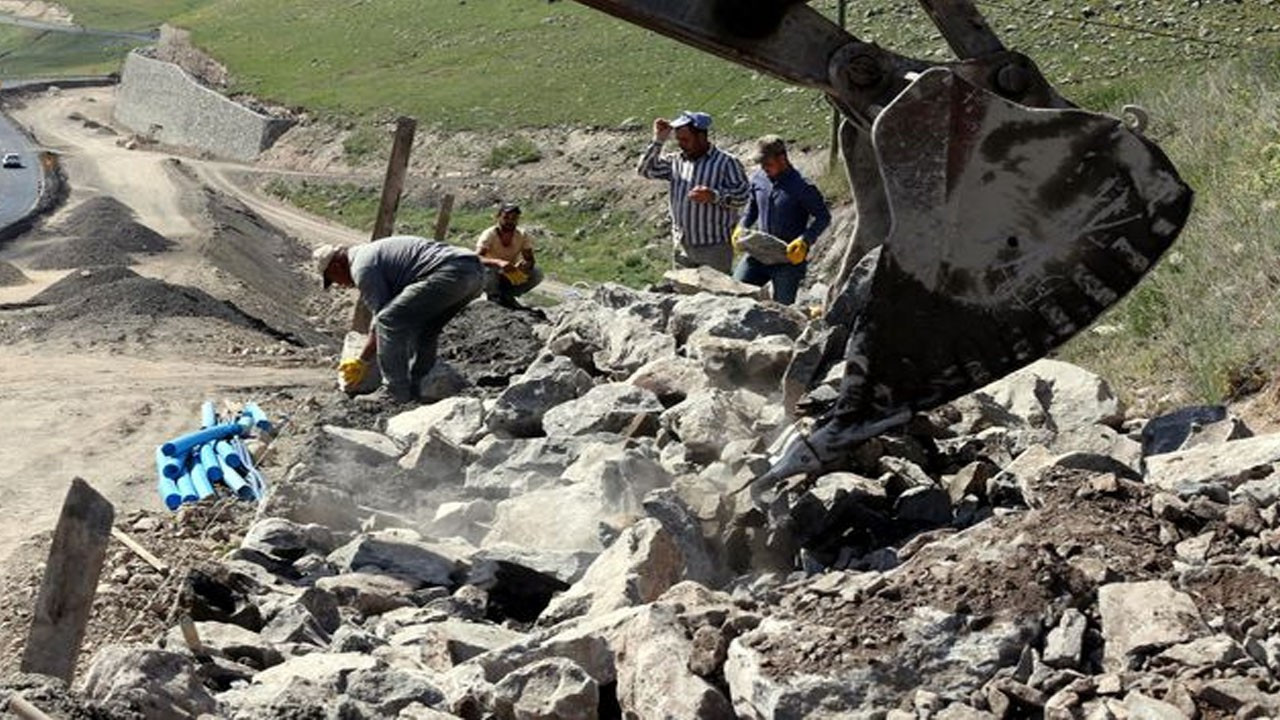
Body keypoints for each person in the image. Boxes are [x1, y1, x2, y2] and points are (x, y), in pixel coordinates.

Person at [314, 235, 484, 404]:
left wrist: (362, 361)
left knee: (388, 320)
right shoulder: (371, 255)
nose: (340, 284)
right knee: (426, 327)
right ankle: (421, 386)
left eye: (333, 280)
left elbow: (382, 321)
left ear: (336, 266)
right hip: (474, 273)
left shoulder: (362, 267)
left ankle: (394, 391)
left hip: (450, 272)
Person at [638, 110, 750, 274]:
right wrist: (658, 140)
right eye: (678, 140)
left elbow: (743, 196)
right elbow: (645, 170)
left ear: (701, 137)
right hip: (683, 248)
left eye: (685, 140)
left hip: (714, 248)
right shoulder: (676, 161)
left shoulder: (727, 162)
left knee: (715, 298)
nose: (681, 144)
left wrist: (714, 196)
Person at [732, 135, 831, 306]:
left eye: (767, 163)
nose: (764, 167)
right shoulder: (758, 179)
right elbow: (752, 209)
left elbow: (823, 217)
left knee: (783, 310)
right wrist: (741, 227)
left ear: (782, 158)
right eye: (761, 164)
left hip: (787, 259)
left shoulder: (802, 187)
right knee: (734, 295)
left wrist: (805, 240)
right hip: (758, 254)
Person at [475, 202, 543, 308]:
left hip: (510, 272)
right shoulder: (489, 234)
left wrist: (525, 265)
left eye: (514, 218)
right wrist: (499, 262)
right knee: (489, 268)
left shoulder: (521, 235)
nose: (510, 221)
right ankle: (494, 298)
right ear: (498, 217)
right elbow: (477, 258)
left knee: (537, 272)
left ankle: (508, 296)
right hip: (491, 274)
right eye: (506, 217)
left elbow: (529, 259)